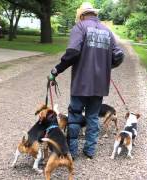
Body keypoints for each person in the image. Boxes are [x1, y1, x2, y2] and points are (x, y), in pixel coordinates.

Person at [48, 2, 124, 159]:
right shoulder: (107, 31)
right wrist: (107, 67)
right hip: (100, 84)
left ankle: (73, 152)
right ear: (94, 14)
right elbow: (119, 55)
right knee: (93, 116)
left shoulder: (80, 27)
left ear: (82, 15)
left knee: (75, 115)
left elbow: (72, 53)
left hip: (81, 83)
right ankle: (90, 151)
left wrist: (56, 70)